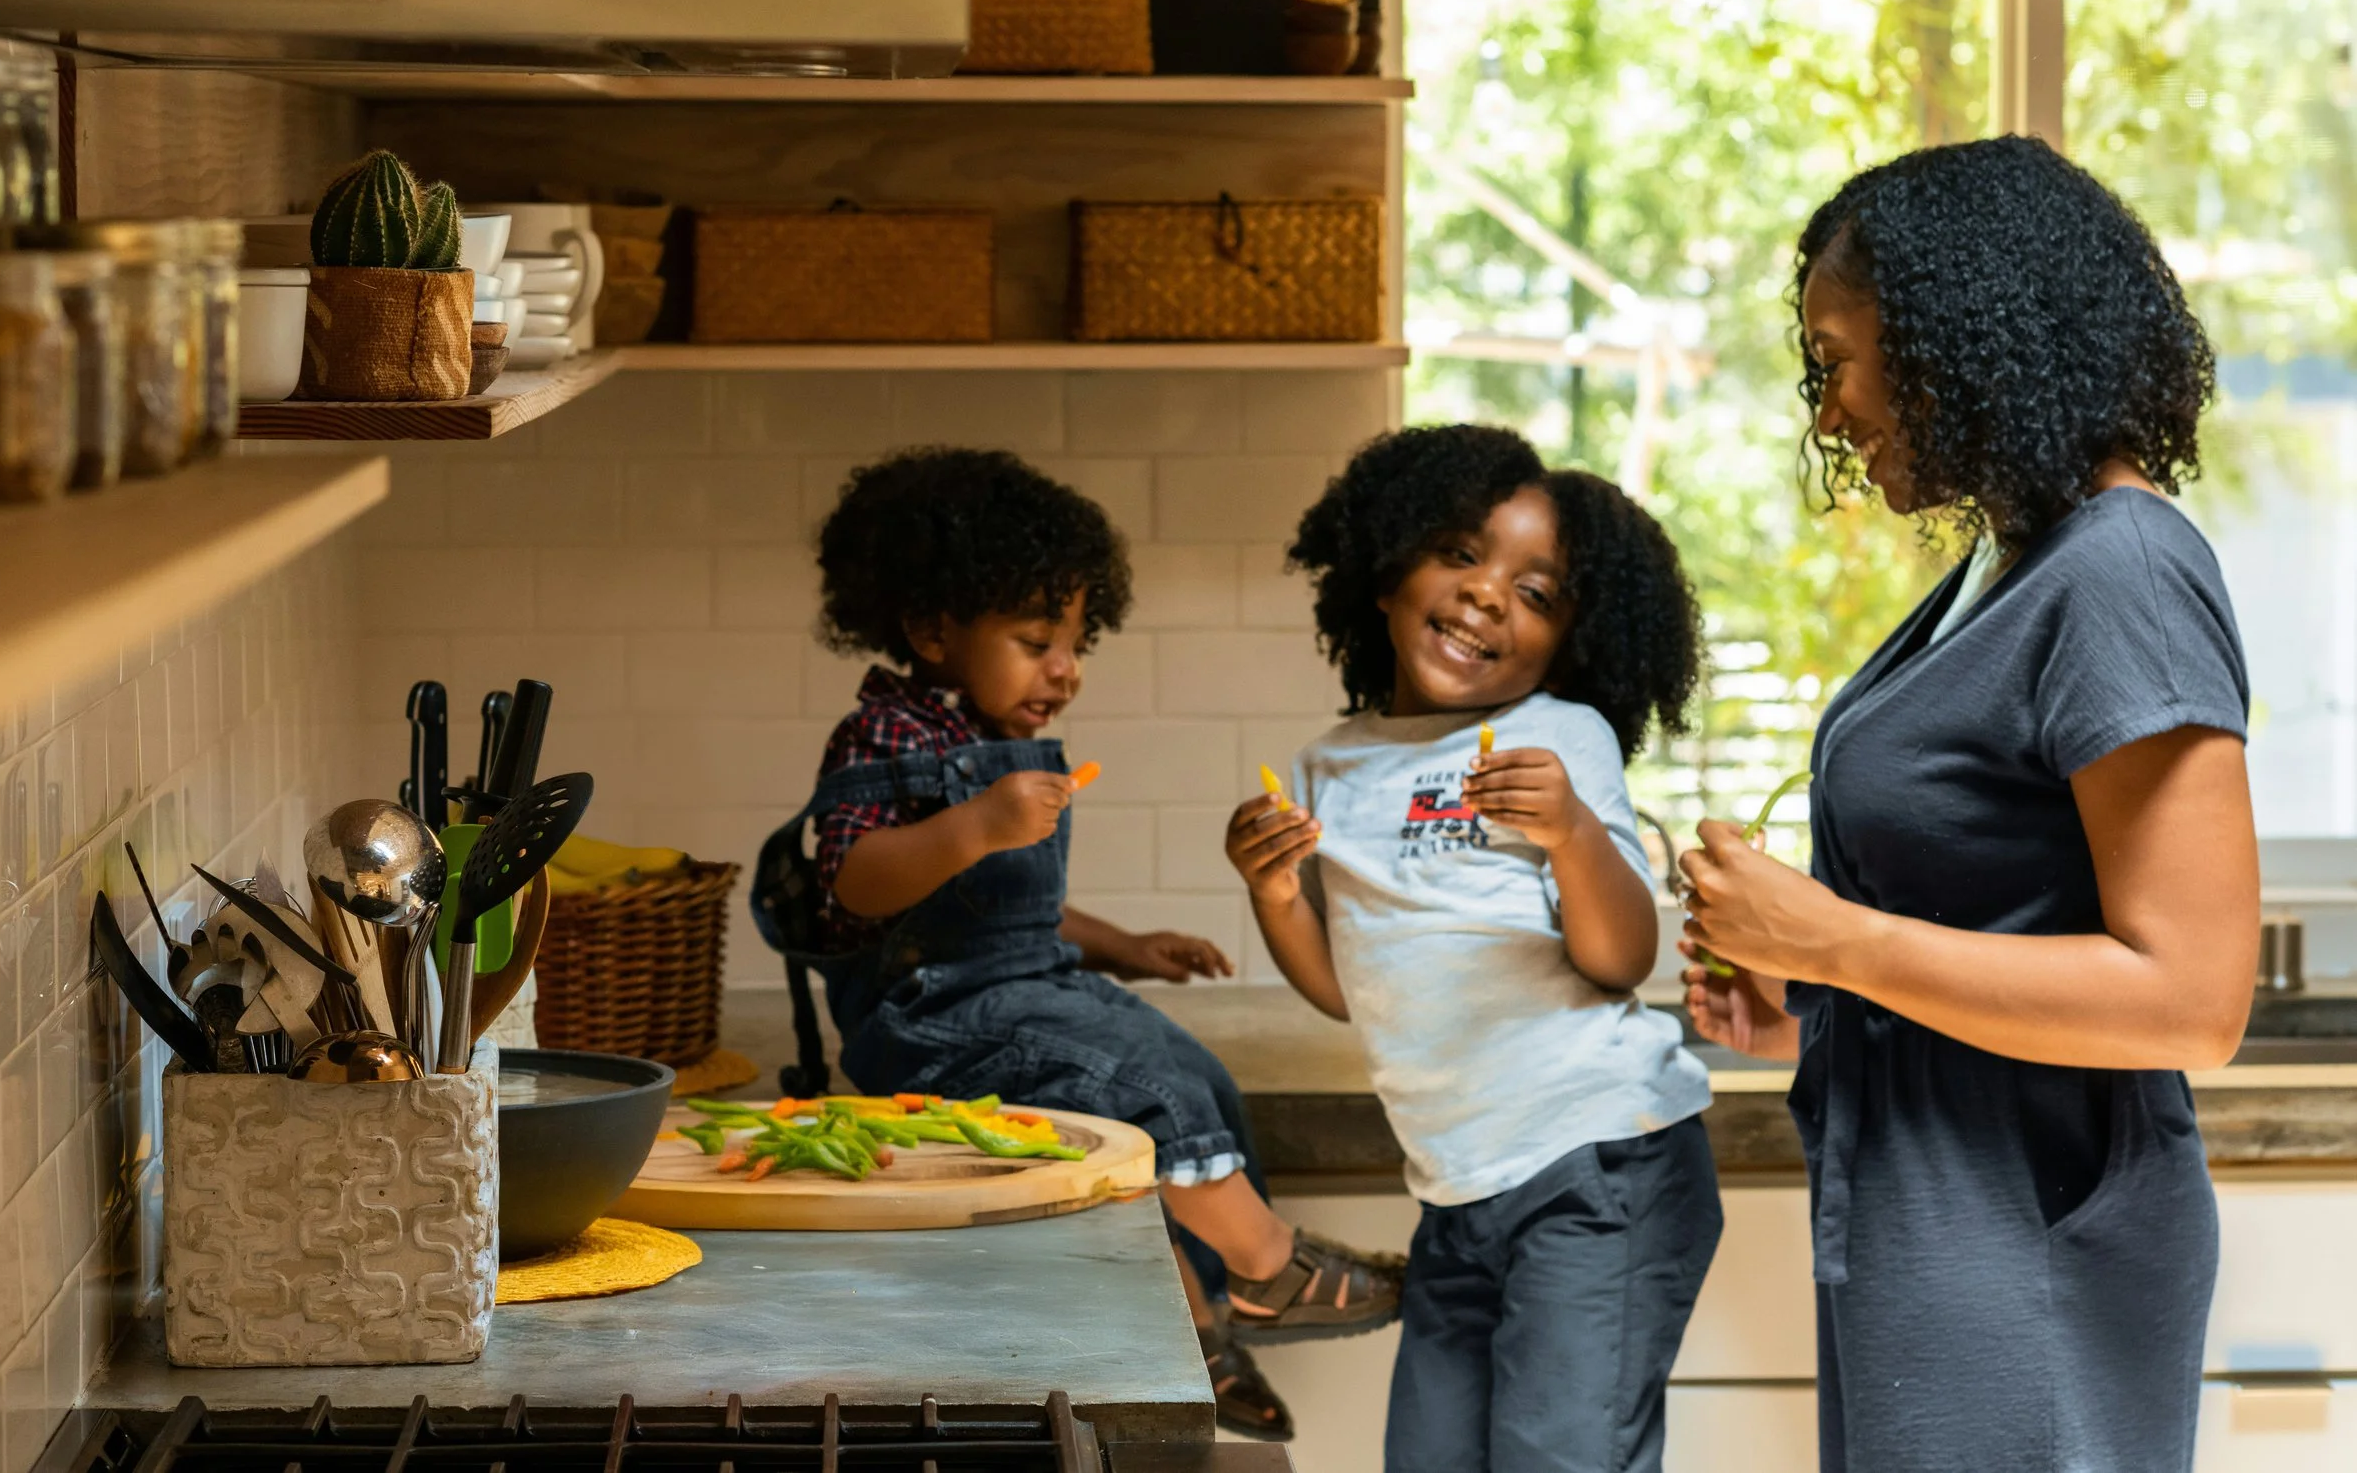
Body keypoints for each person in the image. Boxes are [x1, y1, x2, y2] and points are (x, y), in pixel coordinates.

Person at [1677, 136, 2260, 1473]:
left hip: (2030, 1245)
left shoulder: (2121, 569)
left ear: (1954, 337)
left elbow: (2193, 997)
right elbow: (2000, 914)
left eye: (1838, 360)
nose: (1828, 409)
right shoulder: (2012, 555)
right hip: (1932, 1225)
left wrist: (1832, 944)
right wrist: (1810, 1003)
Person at [750, 446, 1399, 1443]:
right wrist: (973, 824)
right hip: (927, 1016)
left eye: (1075, 639)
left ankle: (1195, 1323)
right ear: (932, 629)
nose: (1066, 666)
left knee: (1191, 1072)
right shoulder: (883, 734)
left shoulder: (991, 733)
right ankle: (1272, 1267)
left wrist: (1126, 944)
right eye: (1034, 638)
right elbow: (856, 881)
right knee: (1140, 1083)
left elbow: (1010, 911)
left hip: (1026, 984)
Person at [1226, 424, 1720, 1473]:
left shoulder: (1560, 736)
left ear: (1572, 637)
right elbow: (1344, 985)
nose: (1489, 594)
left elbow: (1622, 956)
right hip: (1455, 1189)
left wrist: (1572, 834)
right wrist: (1273, 890)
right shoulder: (1332, 765)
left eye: (1536, 592)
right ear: (1384, 570)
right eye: (1458, 552)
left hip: (1598, 1165)